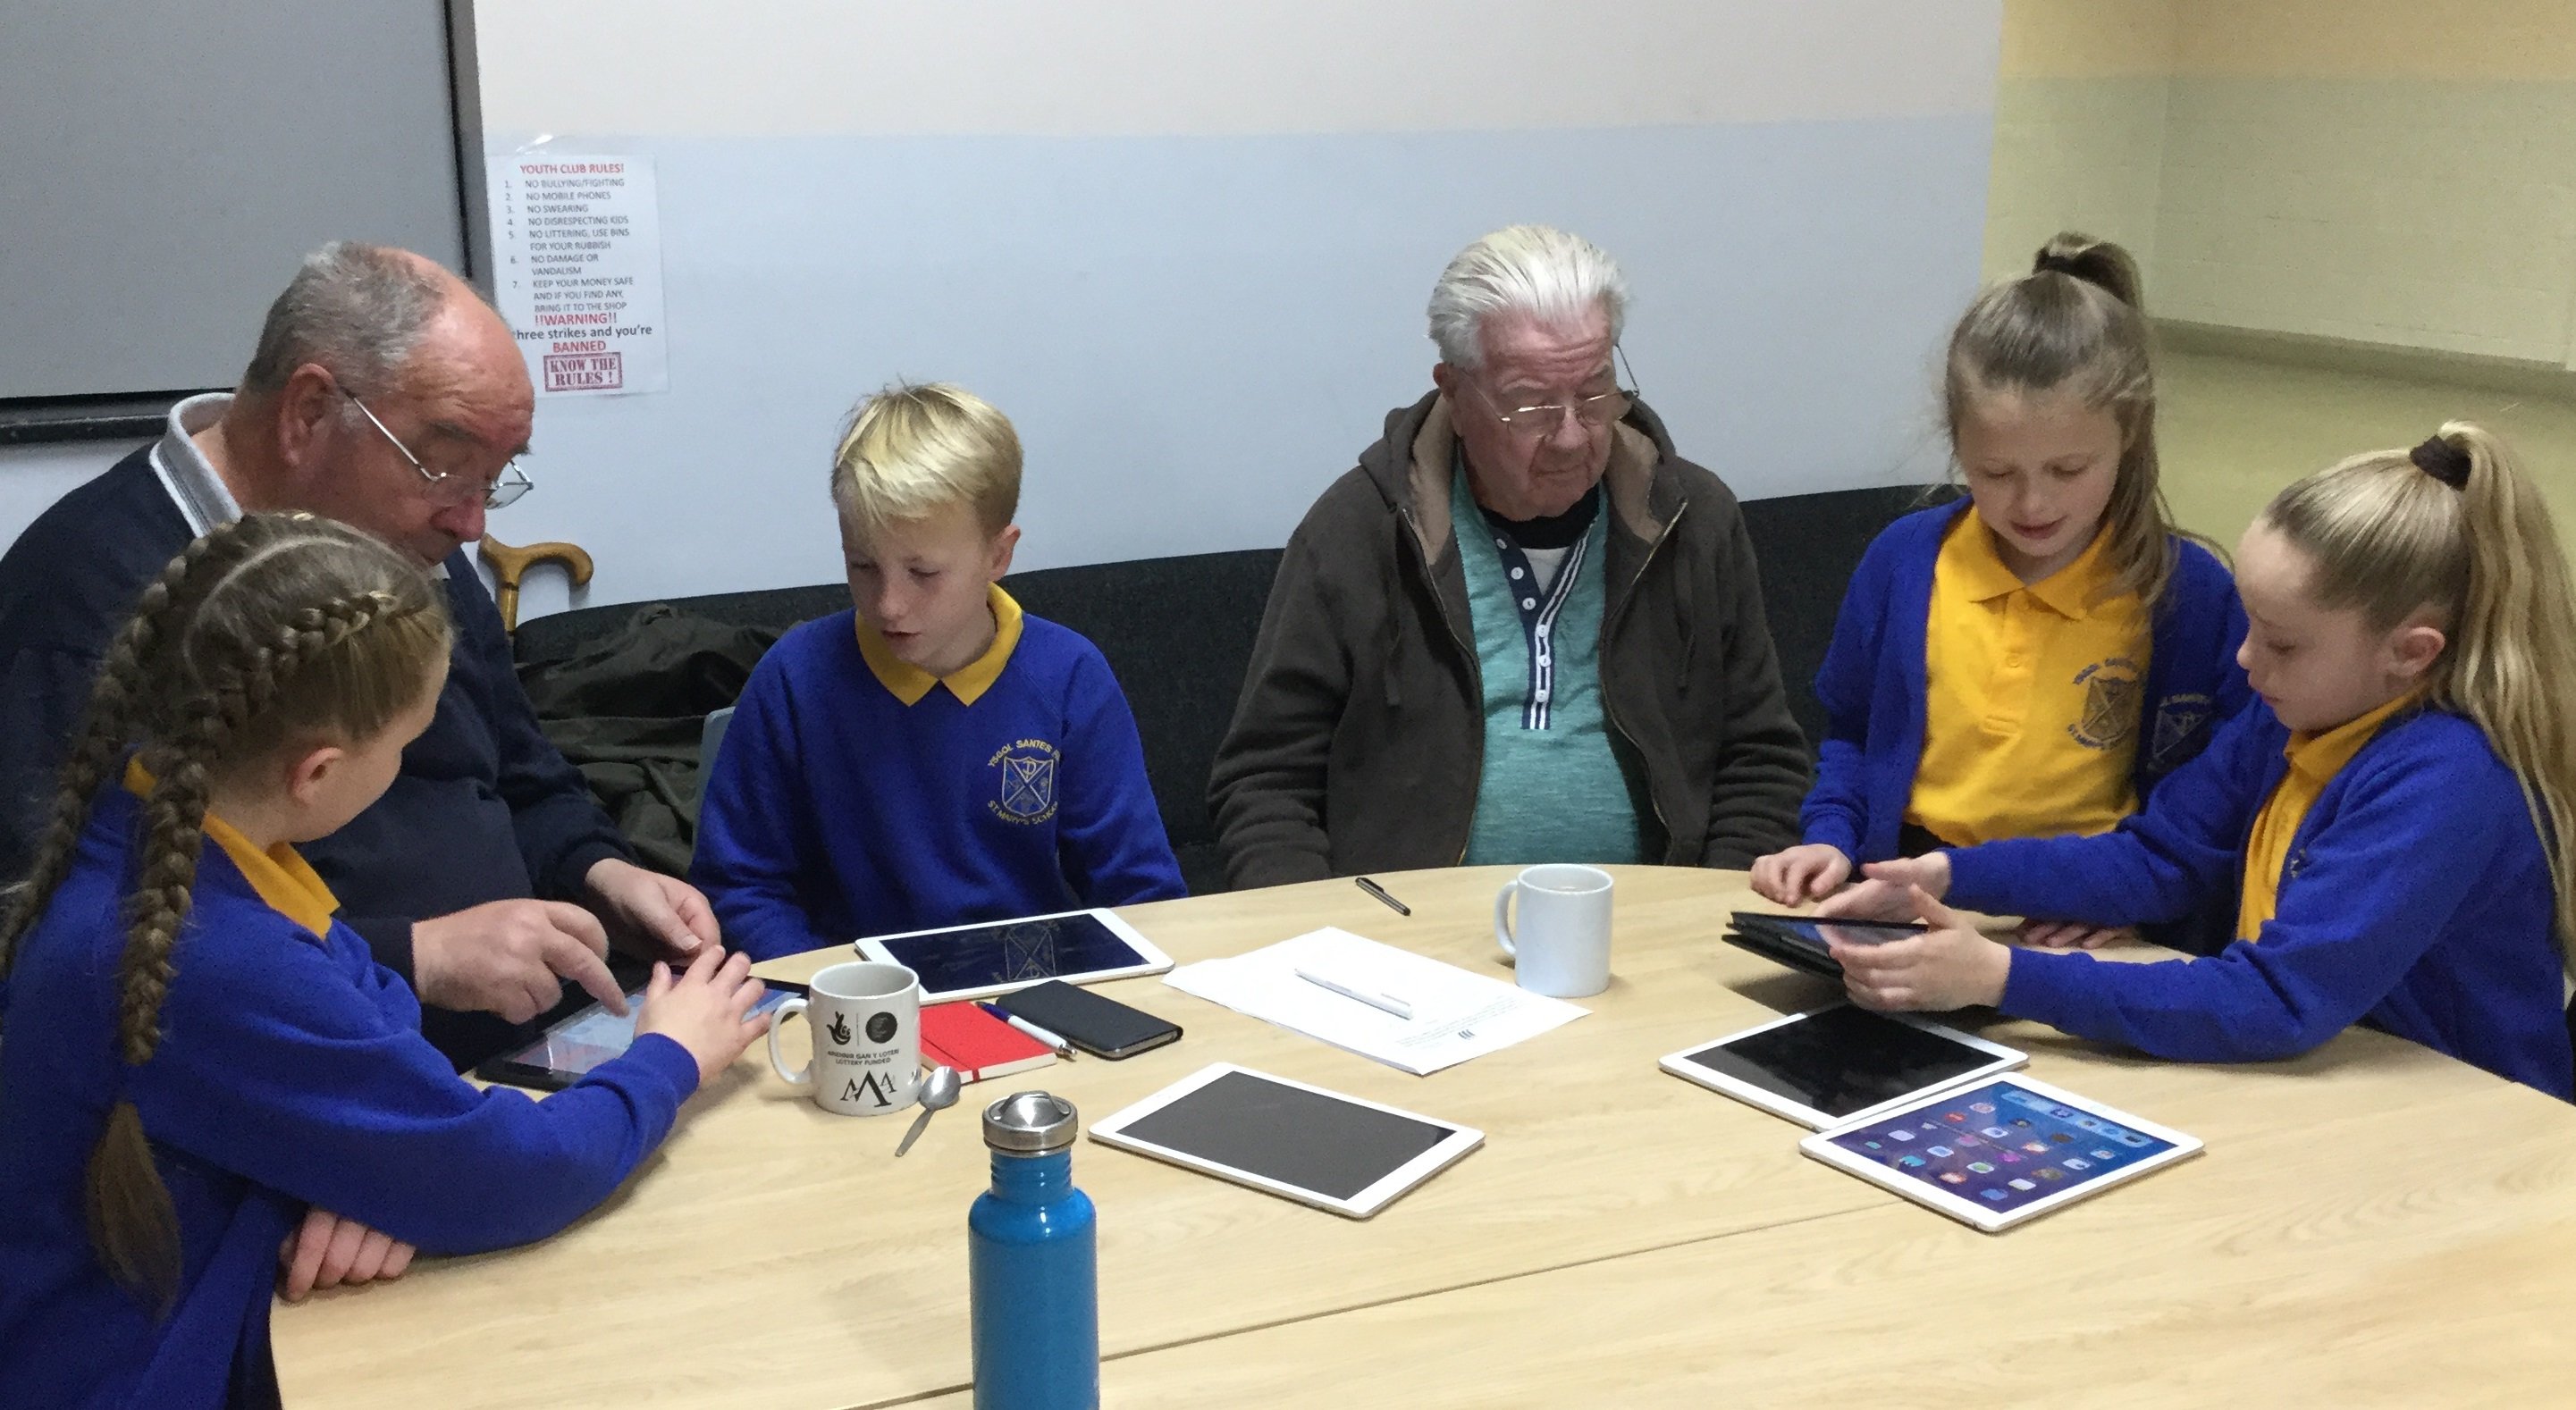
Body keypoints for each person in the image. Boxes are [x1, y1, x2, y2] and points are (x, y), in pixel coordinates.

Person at [0, 515, 771, 1408]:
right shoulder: (212, 957)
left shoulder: (160, 829)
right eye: (404, 747)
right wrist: (668, 1057)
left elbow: (360, 1020)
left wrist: (372, 1179)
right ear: (318, 772)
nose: (408, 763)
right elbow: (511, 1177)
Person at [0, 243, 718, 1067]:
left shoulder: (403, 540)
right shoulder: (83, 597)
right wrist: (414, 958)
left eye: (496, 477)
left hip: (521, 1058)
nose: (472, 524)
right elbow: (70, 945)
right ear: (308, 412)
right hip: (312, 1095)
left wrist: (599, 870)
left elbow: (519, 767)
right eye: (444, 464)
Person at [1816, 424, 2576, 1101]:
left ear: (2410, 656)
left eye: (2282, 643)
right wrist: (1945, 877)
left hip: (2475, 1119)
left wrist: (2001, 976)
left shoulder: (2449, 781)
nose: (2246, 661)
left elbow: (2280, 999)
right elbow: (2159, 857)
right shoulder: (2287, 714)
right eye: (2251, 627)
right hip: (2328, 1081)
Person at [1209, 225, 1809, 886]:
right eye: (1531, 405)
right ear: (1456, 394)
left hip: (1657, 929)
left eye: (1594, 392)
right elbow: (1265, 784)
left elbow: (1760, 758)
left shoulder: (1693, 518)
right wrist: (1319, 942)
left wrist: (1704, 915)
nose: (1572, 435)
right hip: (1410, 941)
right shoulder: (1359, 532)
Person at [1753, 234, 2248, 949]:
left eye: (2068, 469)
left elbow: (2213, 809)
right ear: (1957, 442)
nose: (2032, 503)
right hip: (1907, 895)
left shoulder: (2190, 596)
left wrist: (2138, 901)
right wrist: (1832, 838)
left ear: (2129, 436)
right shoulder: (1904, 562)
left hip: (2076, 916)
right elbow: (1852, 738)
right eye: (1996, 472)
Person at [692, 382, 1183, 960]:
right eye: (862, 566)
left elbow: (1143, 898)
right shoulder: (796, 678)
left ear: (998, 556)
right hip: (850, 1005)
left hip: (1030, 993)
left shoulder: (1069, 676)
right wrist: (829, 990)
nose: (889, 605)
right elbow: (740, 886)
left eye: (923, 573)